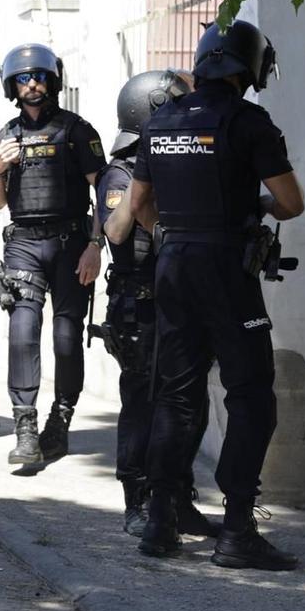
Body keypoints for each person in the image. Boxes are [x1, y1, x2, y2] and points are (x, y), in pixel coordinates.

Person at [125, 19, 305, 569]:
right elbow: (292, 202)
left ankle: (159, 521)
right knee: (250, 394)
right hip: (227, 268)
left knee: (175, 394)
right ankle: (236, 530)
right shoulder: (249, 123)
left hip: (173, 264)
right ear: (249, 69)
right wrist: (259, 209)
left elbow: (138, 205)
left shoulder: (160, 121)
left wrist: (174, 235)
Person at [98, 71, 217, 538]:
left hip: (177, 299)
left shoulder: (177, 158)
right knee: (142, 405)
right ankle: (136, 500)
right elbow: (116, 230)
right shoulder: (121, 171)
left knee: (188, 406)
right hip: (137, 304)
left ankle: (176, 498)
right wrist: (144, 181)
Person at [0, 43, 106, 471]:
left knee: (66, 337)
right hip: (23, 242)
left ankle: (60, 421)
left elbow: (105, 193)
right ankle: (25, 428)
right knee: (22, 332)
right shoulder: (8, 135)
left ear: (53, 81)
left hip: (72, 241)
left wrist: (96, 246)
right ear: (12, 87)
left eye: (38, 77)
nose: (32, 84)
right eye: (23, 78)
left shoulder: (77, 130)